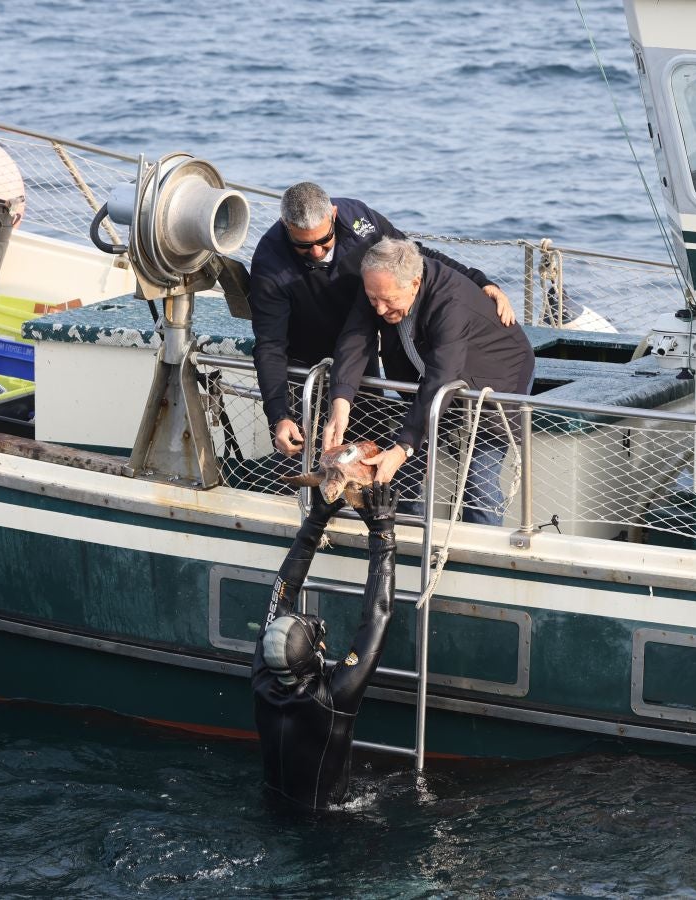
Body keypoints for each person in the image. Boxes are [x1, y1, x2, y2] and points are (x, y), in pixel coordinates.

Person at [249, 182, 515, 457]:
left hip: (360, 341)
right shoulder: (269, 264)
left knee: (368, 443)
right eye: (304, 246)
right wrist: (278, 415)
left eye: (323, 241)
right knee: (310, 456)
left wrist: (479, 281)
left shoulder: (360, 221)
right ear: (285, 225)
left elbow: (413, 256)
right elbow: (270, 345)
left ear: (334, 215)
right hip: (305, 359)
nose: (316, 252)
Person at [323, 238, 535, 526]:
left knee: (478, 479)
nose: (380, 310)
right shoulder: (379, 283)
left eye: (389, 301)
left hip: (498, 378)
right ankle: (406, 537)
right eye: (374, 299)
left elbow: (442, 376)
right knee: (404, 470)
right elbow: (354, 339)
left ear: (414, 283)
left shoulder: (450, 300)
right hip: (436, 378)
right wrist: (341, 402)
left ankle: (479, 551)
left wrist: (404, 446)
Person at [252, 482, 399, 811]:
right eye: (317, 635)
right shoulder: (333, 698)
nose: (322, 635)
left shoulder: (265, 674)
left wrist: (317, 520)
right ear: (312, 656)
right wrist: (383, 532)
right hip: (327, 828)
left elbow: (283, 592)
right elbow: (379, 616)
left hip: (272, 808)